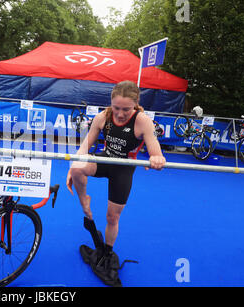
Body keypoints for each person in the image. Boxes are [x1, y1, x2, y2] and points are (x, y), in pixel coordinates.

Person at [66, 80, 166, 286]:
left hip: (123, 169)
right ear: (111, 104)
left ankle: (108, 252)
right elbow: (86, 145)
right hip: (105, 160)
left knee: (112, 217)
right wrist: (73, 167)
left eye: (126, 110)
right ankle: (85, 202)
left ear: (136, 104)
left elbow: (155, 150)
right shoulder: (103, 116)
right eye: (117, 108)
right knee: (77, 167)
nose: (120, 114)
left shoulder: (143, 121)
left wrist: (157, 158)